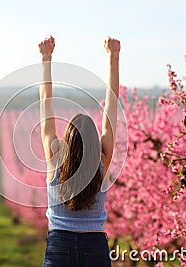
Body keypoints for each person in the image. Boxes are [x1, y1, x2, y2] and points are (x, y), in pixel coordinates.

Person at [38, 35, 121, 267]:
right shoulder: (101, 163)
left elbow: (45, 104)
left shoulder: (55, 160)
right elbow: (111, 106)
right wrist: (113, 57)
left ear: (67, 139)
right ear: (95, 142)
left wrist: (46, 58)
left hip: (59, 245)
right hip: (94, 246)